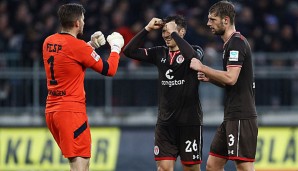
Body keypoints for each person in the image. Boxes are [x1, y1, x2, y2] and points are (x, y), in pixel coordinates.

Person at [42, 3, 124, 170]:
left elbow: (68, 58)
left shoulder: (48, 42)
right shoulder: (78, 47)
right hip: (71, 112)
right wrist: (116, 47)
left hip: (52, 110)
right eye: (83, 20)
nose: (84, 23)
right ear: (77, 23)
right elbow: (109, 70)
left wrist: (90, 46)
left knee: (82, 163)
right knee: (80, 165)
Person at [123, 15, 204, 171]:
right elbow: (129, 51)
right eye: (164, 31)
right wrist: (147, 29)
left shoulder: (195, 50)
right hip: (165, 123)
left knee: (191, 169)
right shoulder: (159, 53)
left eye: (170, 31)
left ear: (181, 32)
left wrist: (173, 33)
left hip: (189, 122)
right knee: (164, 168)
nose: (166, 35)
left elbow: (192, 58)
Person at [190, 1, 258, 171]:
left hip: (241, 115)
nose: (208, 24)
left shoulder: (236, 43)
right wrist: (210, 77)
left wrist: (203, 67)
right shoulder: (229, 44)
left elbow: (231, 78)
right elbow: (232, 81)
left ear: (226, 20)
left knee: (244, 165)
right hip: (231, 115)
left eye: (212, 19)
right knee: (213, 165)